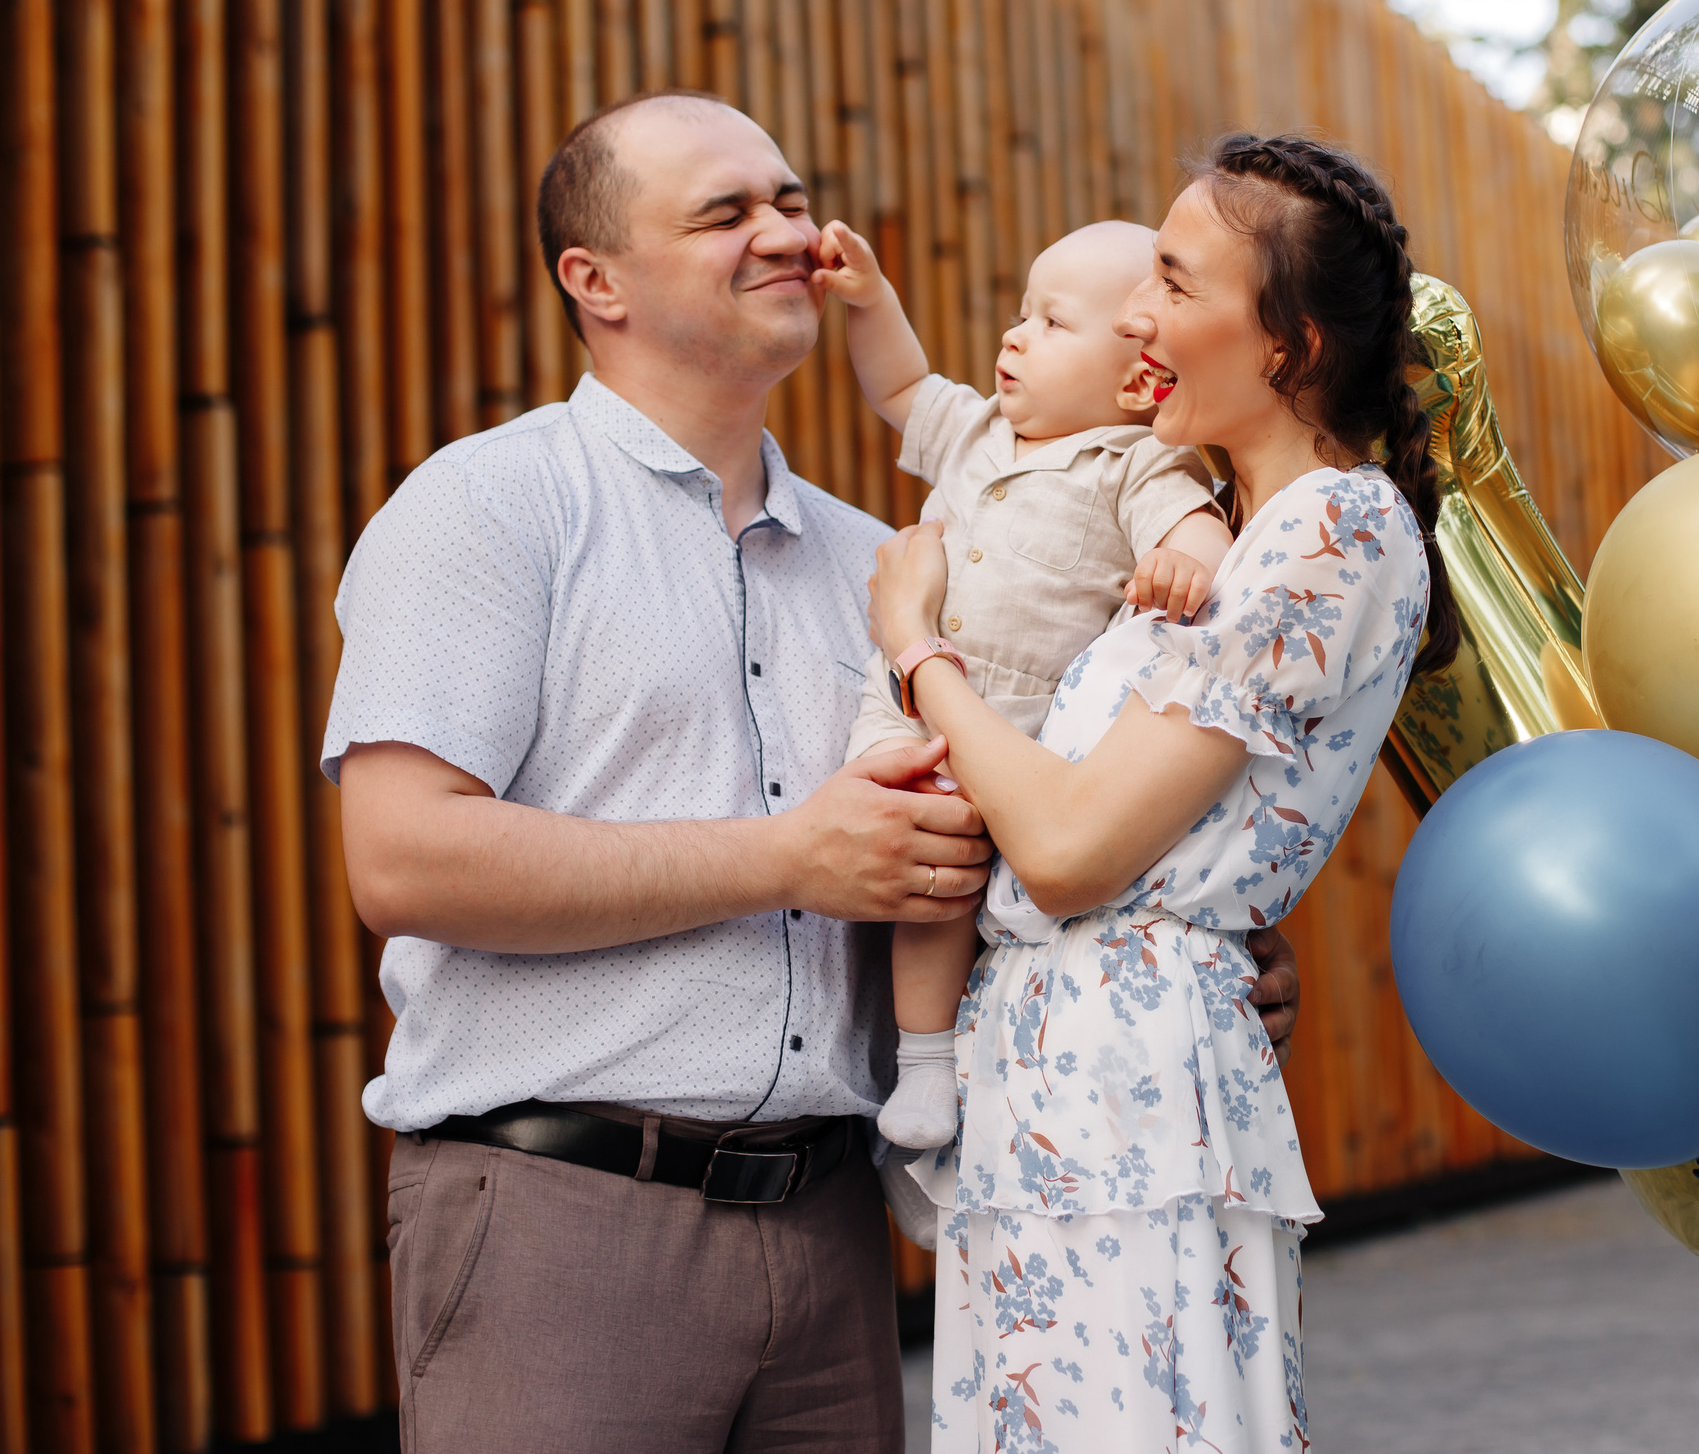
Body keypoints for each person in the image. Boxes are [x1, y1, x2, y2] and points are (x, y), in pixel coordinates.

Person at [322, 89, 1305, 1453]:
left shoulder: (894, 562)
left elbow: (1017, 827)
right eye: (725, 212)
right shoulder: (485, 505)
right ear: (595, 281)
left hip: (837, 1231)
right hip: (563, 1222)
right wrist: (790, 858)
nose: (786, 232)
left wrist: (1167, 945)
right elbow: (402, 861)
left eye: (789, 200)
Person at [872, 133, 1461, 1452]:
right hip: (1060, 1083)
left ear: (1287, 347)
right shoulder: (1226, 536)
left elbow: (1069, 846)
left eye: (1175, 282)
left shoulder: (1331, 528)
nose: (1136, 315)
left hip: (1121, 1102)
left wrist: (917, 647)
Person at [813, 214, 1234, 1152]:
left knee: (964, 880)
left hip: (1017, 731)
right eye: (1020, 313)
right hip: (905, 702)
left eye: (1051, 322)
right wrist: (870, 300)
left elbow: (1196, 530)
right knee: (919, 866)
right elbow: (900, 384)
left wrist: (1186, 563)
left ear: (1137, 380)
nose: (1015, 335)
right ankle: (918, 1064)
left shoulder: (1136, 462)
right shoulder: (976, 432)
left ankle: (936, 1076)